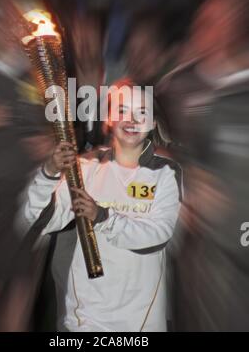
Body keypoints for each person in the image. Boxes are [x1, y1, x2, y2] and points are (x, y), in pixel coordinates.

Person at [25, 78, 182, 332]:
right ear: (109, 118)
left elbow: (158, 235)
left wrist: (102, 217)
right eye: (122, 110)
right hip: (86, 318)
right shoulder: (85, 168)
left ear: (153, 122)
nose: (131, 119)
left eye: (141, 112)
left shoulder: (166, 173)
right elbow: (41, 220)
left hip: (141, 321)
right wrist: (50, 173)